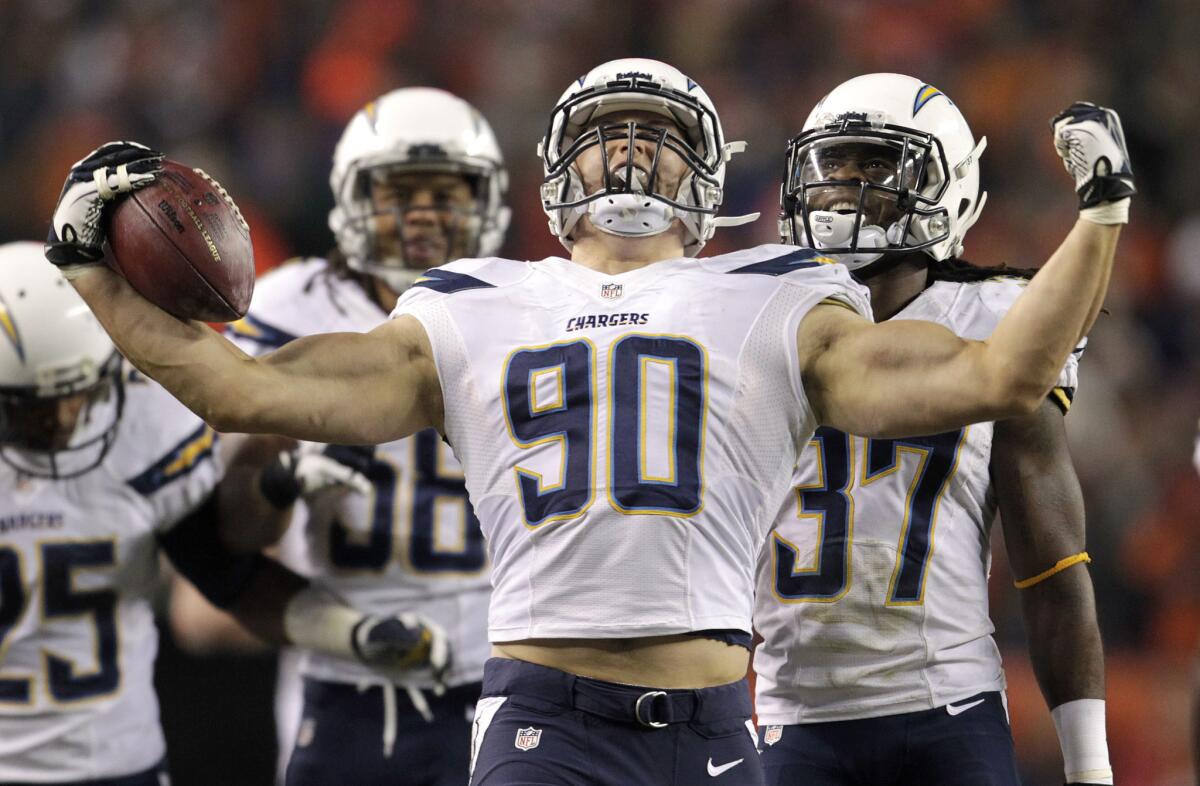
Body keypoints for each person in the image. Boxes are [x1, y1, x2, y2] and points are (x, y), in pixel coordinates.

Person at [42, 57, 1132, 786]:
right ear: (556, 173)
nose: (628, 156)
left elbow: (1000, 374)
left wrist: (1101, 217)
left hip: (718, 724)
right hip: (543, 720)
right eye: (607, 136)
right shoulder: (470, 302)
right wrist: (92, 272)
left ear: (706, 178)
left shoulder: (779, 293)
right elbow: (243, 388)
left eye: (655, 139)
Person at [753, 74, 1114, 786]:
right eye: (834, 164)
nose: (846, 186)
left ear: (946, 188)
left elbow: (1050, 560)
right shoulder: (756, 313)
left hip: (944, 706)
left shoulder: (994, 319)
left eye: (878, 165)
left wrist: (1089, 763)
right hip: (788, 711)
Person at [0, 243, 446, 785]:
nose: (68, 417)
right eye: (37, 405)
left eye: (79, 390)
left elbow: (230, 576)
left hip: (118, 765)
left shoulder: (141, 427)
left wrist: (352, 634)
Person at [219, 86, 508, 786]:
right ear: (351, 199)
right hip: (345, 673)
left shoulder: (525, 307)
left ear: (488, 202)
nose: (425, 218)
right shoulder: (287, 310)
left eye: (448, 194)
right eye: (399, 193)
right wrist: (279, 481)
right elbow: (231, 526)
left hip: (496, 676)